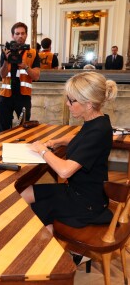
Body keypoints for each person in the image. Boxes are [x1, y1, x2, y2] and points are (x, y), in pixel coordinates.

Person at [20, 71, 117, 237]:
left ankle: (48, 250)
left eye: (72, 100)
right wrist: (56, 142)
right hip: (77, 192)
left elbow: (65, 171)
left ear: (88, 104)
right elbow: (80, 138)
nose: (67, 104)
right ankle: (47, 240)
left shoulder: (99, 130)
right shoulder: (97, 121)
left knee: (32, 208)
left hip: (86, 203)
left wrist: (41, 150)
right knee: (24, 193)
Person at [0, 22, 40, 132]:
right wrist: (6, 61)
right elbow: (2, 74)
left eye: (23, 33)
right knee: (4, 129)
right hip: (6, 96)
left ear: (26, 35)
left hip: (23, 97)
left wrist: (25, 66)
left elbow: (36, 76)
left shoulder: (33, 53)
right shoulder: (5, 51)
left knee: (24, 129)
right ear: (13, 35)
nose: (20, 36)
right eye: (17, 33)